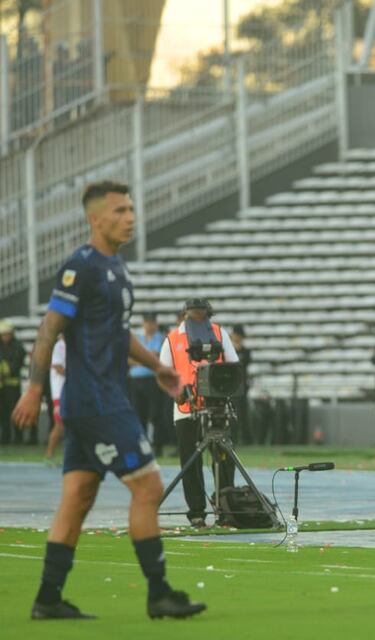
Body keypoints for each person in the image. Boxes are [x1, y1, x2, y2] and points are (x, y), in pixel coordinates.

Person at [11, 181, 205, 620]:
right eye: (120, 210)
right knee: (149, 487)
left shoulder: (116, 268)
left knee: (77, 495)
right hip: (98, 400)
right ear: (95, 219)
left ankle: (47, 598)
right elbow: (49, 329)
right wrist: (36, 387)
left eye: (132, 208)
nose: (130, 216)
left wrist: (157, 367)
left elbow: (117, 334)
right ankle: (159, 593)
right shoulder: (82, 266)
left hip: (96, 399)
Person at [158, 299, 239, 529]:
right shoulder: (173, 339)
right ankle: (196, 512)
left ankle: (225, 508)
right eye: (194, 314)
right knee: (190, 462)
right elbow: (164, 373)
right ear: (185, 314)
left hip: (217, 406)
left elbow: (234, 365)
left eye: (201, 314)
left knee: (224, 459)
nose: (197, 318)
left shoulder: (219, 333)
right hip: (186, 410)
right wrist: (177, 393)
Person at [129, 315, 169, 456]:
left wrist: (140, 358)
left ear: (155, 324)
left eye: (152, 322)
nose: (149, 325)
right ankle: (142, 445)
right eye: (147, 322)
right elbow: (129, 359)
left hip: (152, 379)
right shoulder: (138, 338)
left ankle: (157, 445)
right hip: (136, 380)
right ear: (144, 323)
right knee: (139, 414)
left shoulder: (160, 338)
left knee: (155, 413)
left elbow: (157, 357)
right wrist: (147, 359)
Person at [0, 319, 28, 445]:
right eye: (3, 334)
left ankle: (18, 438)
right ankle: (5, 438)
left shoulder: (18, 347)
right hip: (2, 386)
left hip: (13, 385)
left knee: (15, 412)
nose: (5, 337)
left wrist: (5, 373)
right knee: (3, 413)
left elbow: (16, 365)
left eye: (7, 334)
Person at [229, 325, 252, 444]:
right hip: (231, 385)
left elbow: (244, 363)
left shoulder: (246, 351)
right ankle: (233, 437)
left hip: (242, 385)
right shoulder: (228, 350)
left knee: (243, 413)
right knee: (232, 412)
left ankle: (246, 438)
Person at [46, 336, 67, 462]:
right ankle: (49, 454)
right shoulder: (59, 346)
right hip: (60, 392)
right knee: (60, 424)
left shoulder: (72, 345)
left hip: (70, 391)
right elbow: (58, 367)